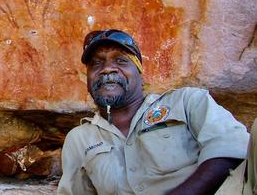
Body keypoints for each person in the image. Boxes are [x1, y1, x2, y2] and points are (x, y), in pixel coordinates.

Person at [58, 29, 255, 195]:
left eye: (120, 61)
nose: (107, 69)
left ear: (140, 75)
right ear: (88, 81)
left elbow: (233, 146)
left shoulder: (186, 102)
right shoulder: (80, 139)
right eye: (96, 64)